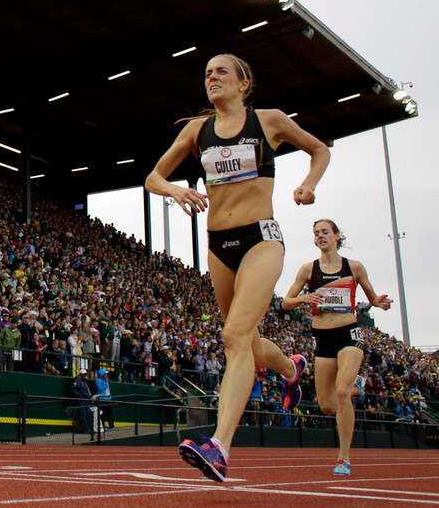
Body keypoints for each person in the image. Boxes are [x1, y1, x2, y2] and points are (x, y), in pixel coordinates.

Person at [145, 53, 330, 482]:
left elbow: (319, 149)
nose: (212, 77)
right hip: (219, 246)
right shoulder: (197, 130)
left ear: (244, 83)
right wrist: (175, 190)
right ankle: (291, 369)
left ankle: (220, 446)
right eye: (207, 73)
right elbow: (153, 178)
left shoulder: (269, 120)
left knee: (233, 336)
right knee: (245, 340)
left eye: (221, 71)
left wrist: (308, 184)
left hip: (260, 239)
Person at [282, 219, 392, 476]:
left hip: (349, 334)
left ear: (337, 236)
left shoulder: (354, 267)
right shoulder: (308, 269)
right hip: (322, 338)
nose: (320, 236)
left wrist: (378, 301)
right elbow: (286, 302)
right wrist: (304, 298)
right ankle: (356, 385)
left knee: (341, 393)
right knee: (327, 406)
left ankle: (344, 458)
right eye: (316, 233)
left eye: (325, 232)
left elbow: (371, 297)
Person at [70, 367, 94, 433]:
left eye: (85, 374)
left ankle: (89, 428)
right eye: (83, 374)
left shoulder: (84, 381)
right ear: (80, 374)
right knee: (83, 415)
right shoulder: (77, 380)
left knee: (88, 414)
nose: (85, 375)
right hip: (81, 400)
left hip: (86, 399)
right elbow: (73, 388)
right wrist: (80, 395)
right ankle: (86, 429)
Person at [94, 367, 115, 431]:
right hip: (102, 399)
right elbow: (100, 389)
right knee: (103, 414)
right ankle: (102, 426)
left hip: (108, 398)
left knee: (110, 413)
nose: (106, 375)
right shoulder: (98, 381)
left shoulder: (106, 380)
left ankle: (111, 426)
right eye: (105, 374)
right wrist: (104, 383)